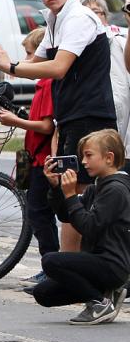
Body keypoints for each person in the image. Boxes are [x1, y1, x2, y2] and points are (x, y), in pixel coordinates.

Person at [0, 0, 115, 254]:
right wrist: (1, 58)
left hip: (90, 118)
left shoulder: (78, 18)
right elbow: (33, 63)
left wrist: (12, 65)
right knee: (72, 195)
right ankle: (72, 268)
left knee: (76, 194)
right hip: (71, 118)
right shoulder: (55, 20)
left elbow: (58, 68)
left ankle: (70, 267)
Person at [32, 129, 130, 325]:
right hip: (96, 262)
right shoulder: (97, 188)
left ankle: (99, 304)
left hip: (112, 264)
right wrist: (56, 188)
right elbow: (67, 216)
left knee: (51, 261)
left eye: (88, 155)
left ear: (109, 158)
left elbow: (89, 227)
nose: (83, 162)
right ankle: (105, 294)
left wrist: (70, 196)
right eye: (82, 156)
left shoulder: (116, 190)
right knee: (43, 293)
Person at [0, 28, 58, 286]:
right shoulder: (41, 84)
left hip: (41, 158)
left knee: (39, 211)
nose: (28, 59)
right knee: (34, 210)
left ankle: (51, 265)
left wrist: (15, 121)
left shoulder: (48, 84)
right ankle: (48, 264)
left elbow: (46, 126)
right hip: (30, 156)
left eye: (31, 54)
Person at [78, 0, 130, 145]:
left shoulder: (120, 41)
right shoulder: (72, 50)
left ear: (105, 18)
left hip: (121, 129)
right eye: (85, 13)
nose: (91, 18)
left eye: (95, 12)